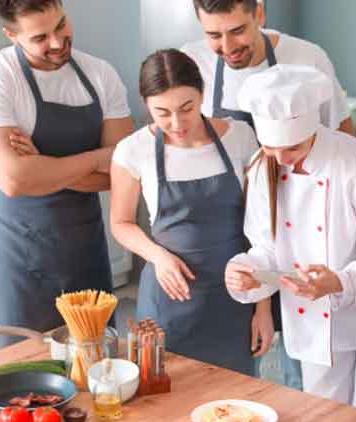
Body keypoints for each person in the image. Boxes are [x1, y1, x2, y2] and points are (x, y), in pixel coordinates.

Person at [224, 65, 356, 407]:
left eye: (292, 148)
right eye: (271, 147)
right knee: (322, 420)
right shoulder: (260, 166)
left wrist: (338, 282)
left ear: (312, 128)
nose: (281, 159)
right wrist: (247, 270)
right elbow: (266, 248)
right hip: (314, 324)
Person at [0, 0, 133, 351]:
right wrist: (97, 157)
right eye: (40, 37)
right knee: (17, 370)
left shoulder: (100, 74)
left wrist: (41, 164)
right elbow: (13, 180)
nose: (58, 43)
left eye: (61, 25)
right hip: (21, 258)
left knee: (94, 366)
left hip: (85, 250)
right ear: (10, 35)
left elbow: (123, 173)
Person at [109, 50, 260, 375]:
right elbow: (120, 224)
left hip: (234, 296)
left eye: (187, 108)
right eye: (162, 112)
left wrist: (263, 307)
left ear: (201, 94)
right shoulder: (133, 150)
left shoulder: (240, 138)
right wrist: (158, 257)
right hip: (170, 299)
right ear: (145, 103)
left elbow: (262, 229)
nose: (177, 123)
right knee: (167, 400)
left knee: (239, 402)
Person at [181, 0, 354, 135]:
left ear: (259, 14)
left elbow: (344, 139)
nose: (227, 47)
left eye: (238, 31)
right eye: (214, 35)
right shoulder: (191, 61)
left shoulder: (308, 58)